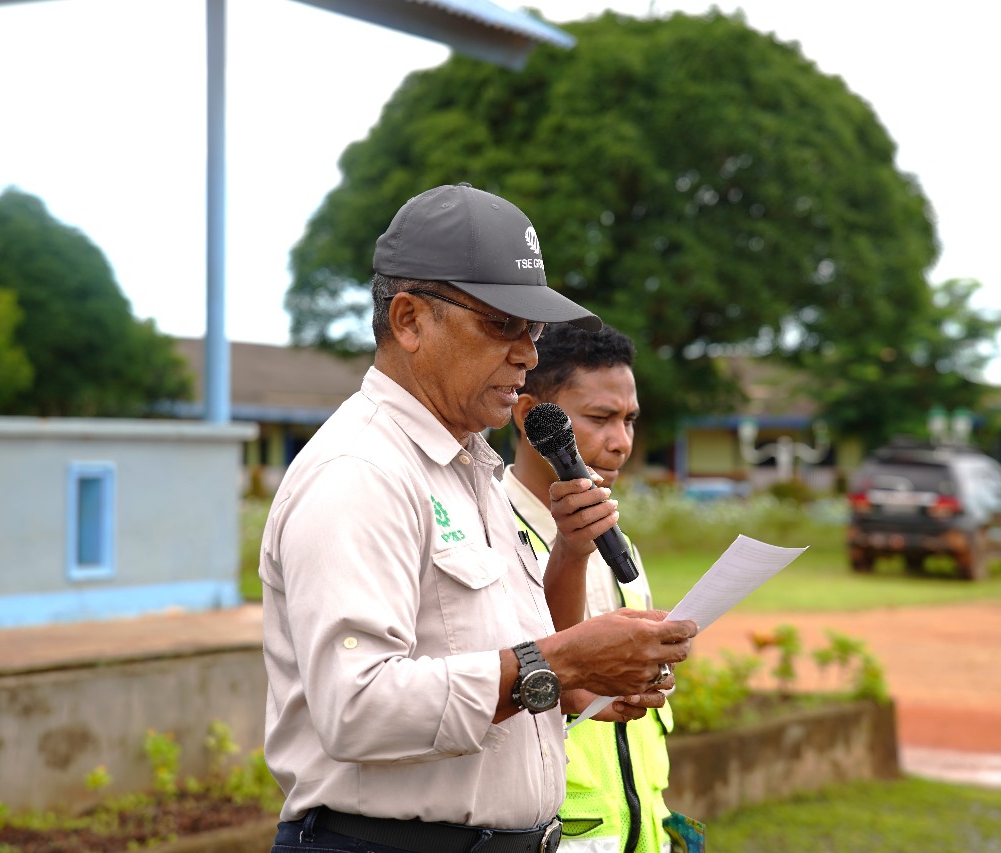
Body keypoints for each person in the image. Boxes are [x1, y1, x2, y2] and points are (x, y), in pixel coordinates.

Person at [259, 182, 697, 853]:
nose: (526, 351)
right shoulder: (361, 472)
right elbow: (356, 706)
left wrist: (580, 678)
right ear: (409, 320)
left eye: (535, 328)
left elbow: (494, 656)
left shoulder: (470, 469)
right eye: (502, 324)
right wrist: (558, 661)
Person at [505, 323, 691, 853]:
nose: (622, 442)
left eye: (629, 419)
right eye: (599, 418)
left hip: (642, 831)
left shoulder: (621, 544)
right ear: (530, 417)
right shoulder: (488, 533)